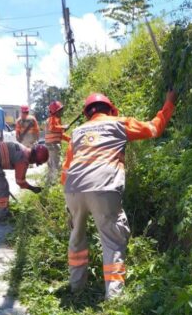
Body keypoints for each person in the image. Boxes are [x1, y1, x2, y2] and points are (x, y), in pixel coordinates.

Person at [63, 90, 177, 299]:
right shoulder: (118, 123)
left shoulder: (78, 132)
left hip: (73, 189)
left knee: (76, 238)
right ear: (111, 109)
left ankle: (76, 288)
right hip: (103, 187)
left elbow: (67, 166)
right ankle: (114, 297)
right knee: (112, 239)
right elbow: (153, 129)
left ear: (87, 113)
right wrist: (168, 103)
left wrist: (69, 200)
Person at [0, 140, 48, 221]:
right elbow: (20, 181)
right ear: (34, 157)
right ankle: (4, 216)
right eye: (35, 162)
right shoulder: (23, 158)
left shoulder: (22, 148)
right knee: (2, 188)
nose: (33, 163)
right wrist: (33, 188)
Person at [44, 100, 70, 186]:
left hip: (50, 145)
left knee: (51, 165)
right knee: (56, 165)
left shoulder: (56, 120)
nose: (62, 111)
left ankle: (49, 183)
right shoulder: (52, 119)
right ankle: (54, 184)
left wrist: (70, 139)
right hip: (53, 145)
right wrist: (63, 127)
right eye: (60, 110)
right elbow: (53, 128)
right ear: (56, 111)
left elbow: (60, 134)